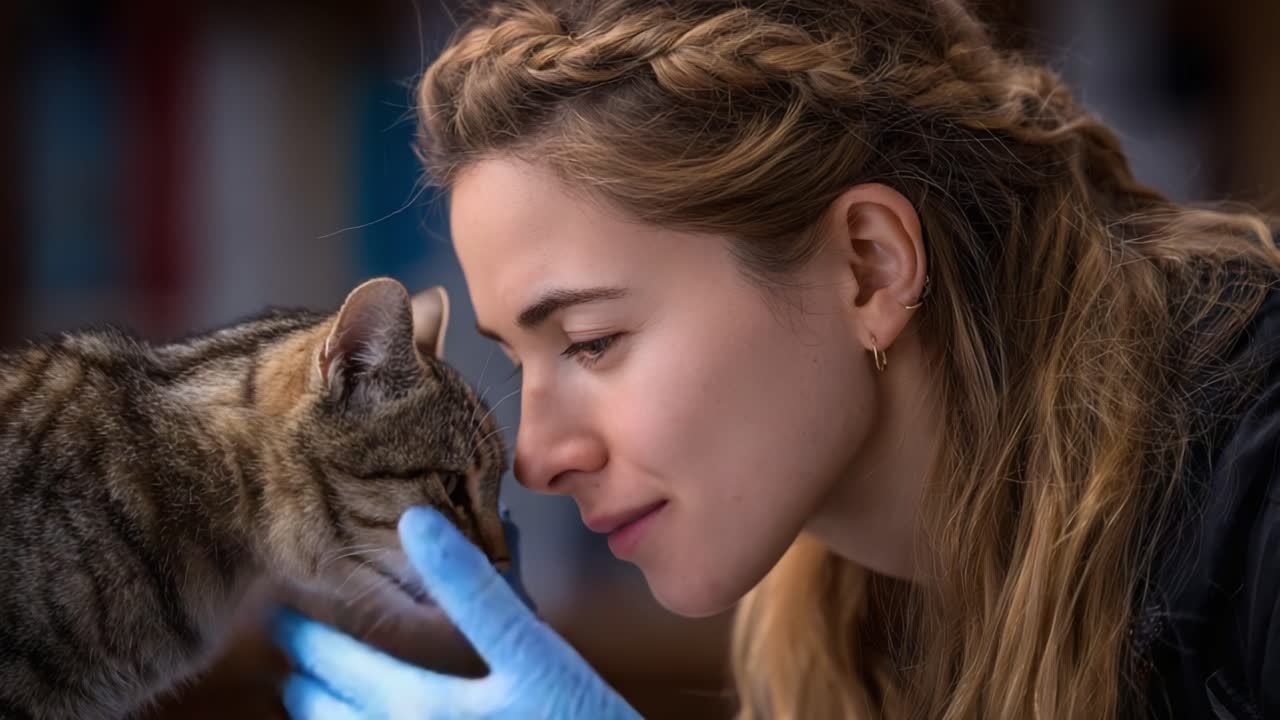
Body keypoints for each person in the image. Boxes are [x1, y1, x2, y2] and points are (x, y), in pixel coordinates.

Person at [269, 0, 1280, 717]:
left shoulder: (1259, 495)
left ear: (868, 269)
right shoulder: (838, 621)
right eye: (521, 360)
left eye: (592, 341)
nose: (534, 459)